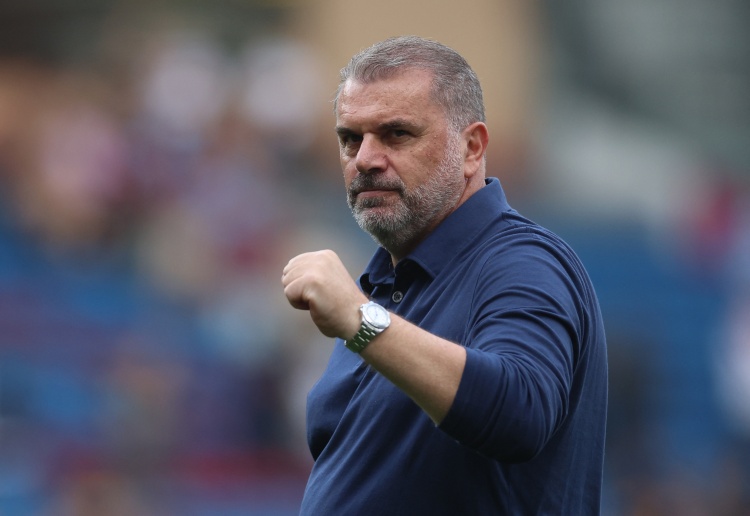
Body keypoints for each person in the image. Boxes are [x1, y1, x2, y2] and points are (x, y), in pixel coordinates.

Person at [281, 35, 607, 515]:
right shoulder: (383, 287)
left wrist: (360, 320)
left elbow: (521, 411)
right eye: (350, 138)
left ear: (471, 148)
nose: (365, 159)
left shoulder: (522, 260)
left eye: (397, 134)